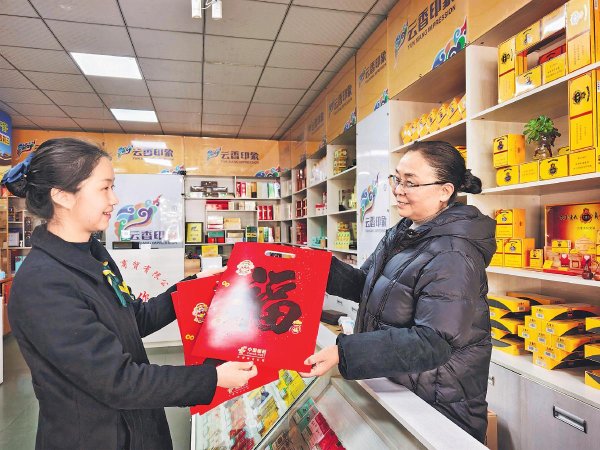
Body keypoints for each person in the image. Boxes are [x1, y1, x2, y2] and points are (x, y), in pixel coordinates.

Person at [2, 138, 258, 450]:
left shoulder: (93, 253)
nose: (115, 199)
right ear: (62, 196)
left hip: (138, 427)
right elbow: (118, 381)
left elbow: (132, 318)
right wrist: (213, 378)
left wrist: (193, 287)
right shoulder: (42, 284)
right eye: (104, 188)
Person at [302, 141, 496, 442]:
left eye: (410, 183)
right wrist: (314, 268)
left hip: (437, 403)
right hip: (400, 387)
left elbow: (433, 341)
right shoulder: (406, 231)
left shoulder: (454, 253)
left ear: (444, 191)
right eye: (397, 179)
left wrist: (345, 352)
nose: (398, 190)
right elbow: (368, 285)